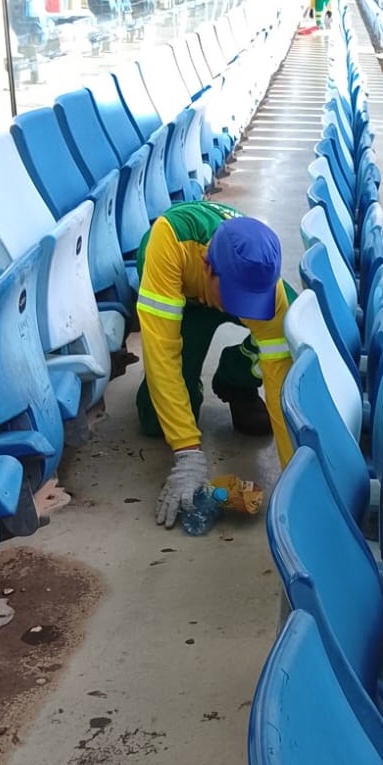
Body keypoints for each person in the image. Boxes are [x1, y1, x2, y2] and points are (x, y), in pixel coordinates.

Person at [134, 202, 294, 527]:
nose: (246, 310)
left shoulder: (267, 287)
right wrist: (187, 453)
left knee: (296, 334)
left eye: (253, 302)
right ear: (208, 268)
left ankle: (235, 375)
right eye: (238, 301)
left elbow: (280, 381)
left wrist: (295, 473)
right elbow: (161, 352)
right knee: (154, 419)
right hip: (181, 289)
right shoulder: (169, 242)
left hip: (226, 282)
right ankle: (189, 394)